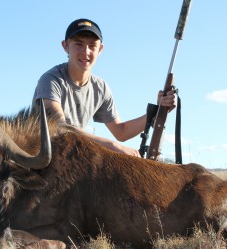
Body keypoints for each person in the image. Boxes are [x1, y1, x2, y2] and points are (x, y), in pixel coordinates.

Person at [32, 18, 176, 157]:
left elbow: (121, 132)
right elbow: (60, 128)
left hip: (70, 157)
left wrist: (157, 111)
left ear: (100, 49)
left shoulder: (100, 87)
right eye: (78, 44)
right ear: (65, 46)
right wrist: (113, 147)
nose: (86, 51)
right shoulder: (50, 80)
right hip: (40, 157)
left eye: (92, 46)